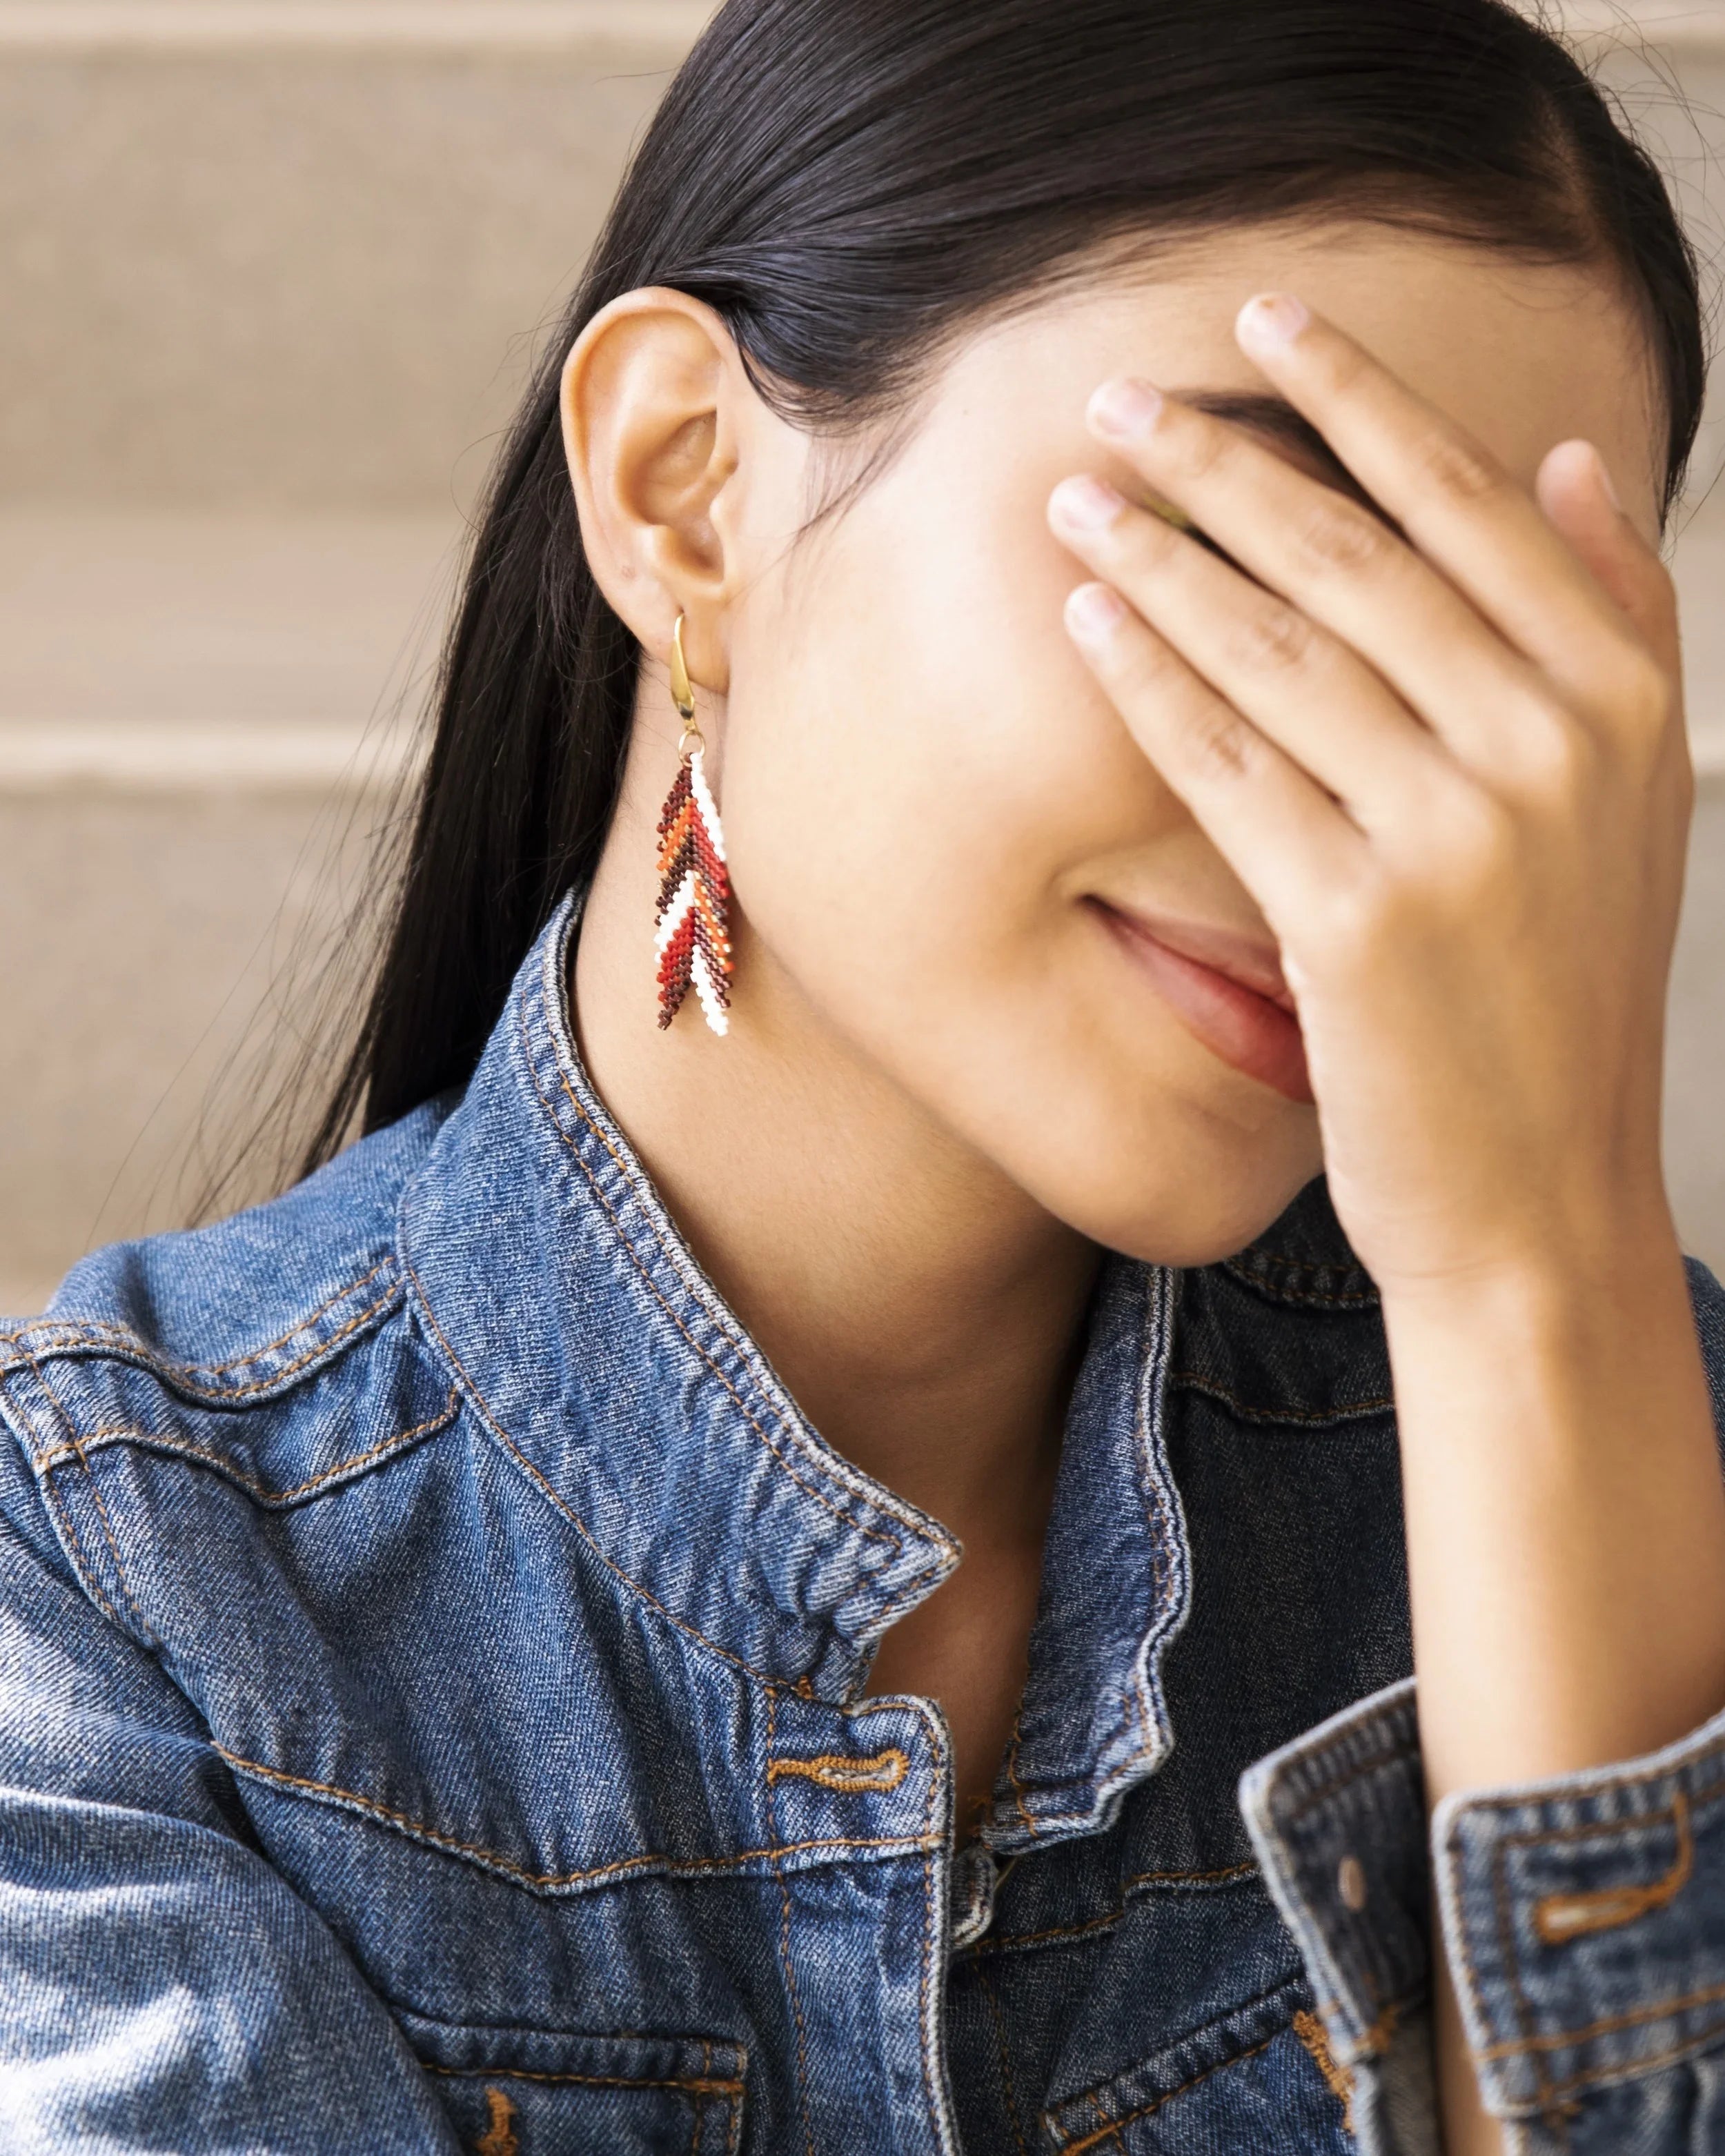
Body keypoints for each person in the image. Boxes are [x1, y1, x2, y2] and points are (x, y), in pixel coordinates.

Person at [4, 1, 1722, 2150]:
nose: (1371, 811)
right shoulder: (96, 1599)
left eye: (1487, 671)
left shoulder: (1639, 1447)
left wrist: (1538, 1279)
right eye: (1244, 561)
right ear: (685, 489)